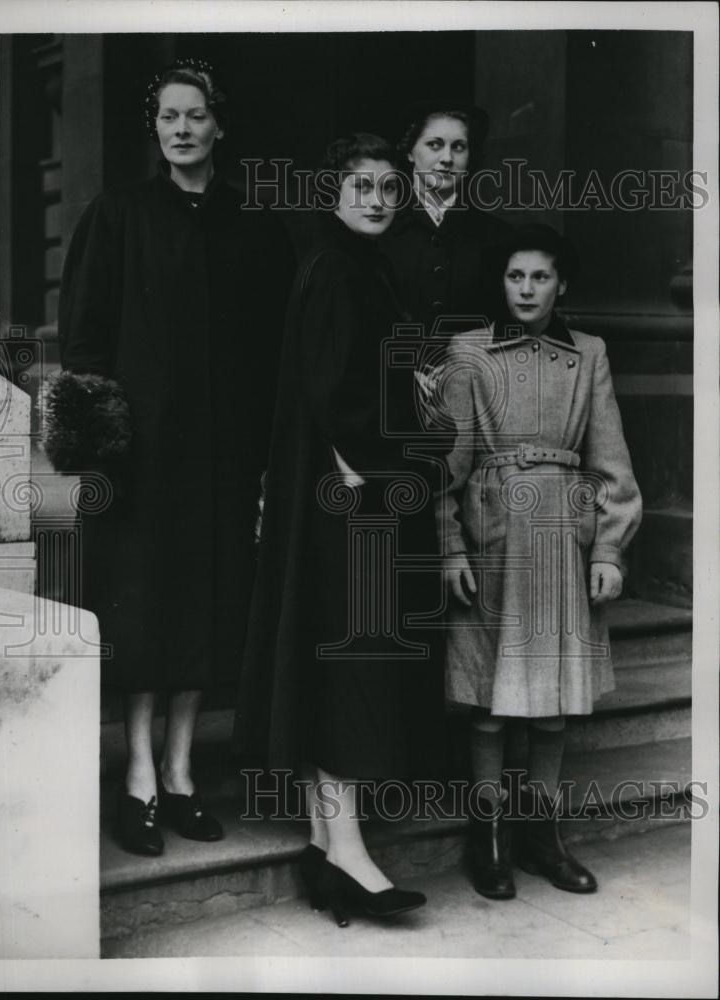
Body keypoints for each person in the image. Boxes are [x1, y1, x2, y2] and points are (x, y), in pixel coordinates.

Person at [57, 60, 293, 856]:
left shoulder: (253, 222)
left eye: (195, 115)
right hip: (141, 456)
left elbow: (271, 351)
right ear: (154, 127)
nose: (182, 129)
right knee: (145, 612)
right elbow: (85, 337)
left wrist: (265, 460)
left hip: (224, 455)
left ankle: (184, 773)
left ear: (218, 125)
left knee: (205, 608)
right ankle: (137, 780)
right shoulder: (118, 214)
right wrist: (101, 446)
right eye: (168, 116)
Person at [234, 133, 449, 926]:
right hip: (353, 502)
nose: (376, 200)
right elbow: (333, 398)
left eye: (390, 188)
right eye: (361, 185)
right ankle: (348, 850)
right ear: (334, 192)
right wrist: (386, 457)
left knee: (344, 667)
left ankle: (332, 850)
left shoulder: (361, 270)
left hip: (353, 496)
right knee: (351, 668)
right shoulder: (335, 270)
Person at [437, 224, 642, 899]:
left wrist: (608, 548)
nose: (526, 289)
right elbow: (445, 465)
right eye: (514, 276)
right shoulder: (469, 353)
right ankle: (488, 832)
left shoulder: (587, 354)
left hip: (562, 536)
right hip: (492, 534)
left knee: (553, 703)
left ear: (562, 284)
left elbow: (610, 459)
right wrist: (449, 546)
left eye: (540, 277)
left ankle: (541, 832)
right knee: (491, 704)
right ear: (500, 283)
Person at [381, 100, 509, 337]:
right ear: (410, 152)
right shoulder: (380, 231)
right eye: (434, 145)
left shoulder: (497, 237)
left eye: (459, 147)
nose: (447, 158)